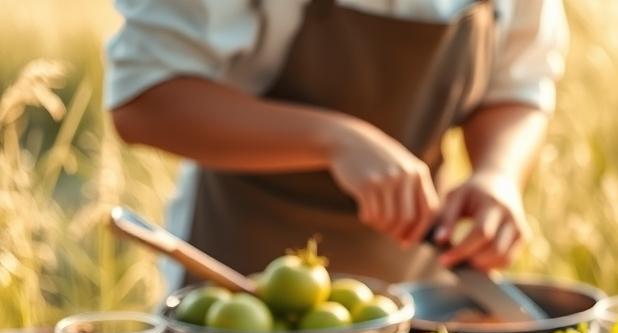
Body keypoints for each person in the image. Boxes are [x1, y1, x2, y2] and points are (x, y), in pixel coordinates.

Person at [105, 0, 567, 283]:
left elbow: (518, 84)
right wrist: (335, 139)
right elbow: (144, 102)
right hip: (241, 285)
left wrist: (497, 174)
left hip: (420, 291)